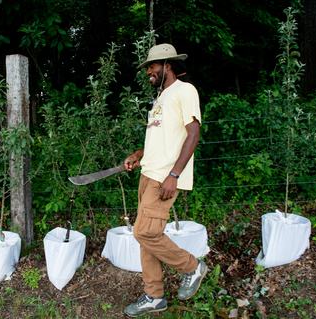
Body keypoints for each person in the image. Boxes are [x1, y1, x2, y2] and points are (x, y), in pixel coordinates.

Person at [123, 43, 207, 317]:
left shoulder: (185, 90)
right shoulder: (160, 99)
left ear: (167, 65)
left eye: (152, 66)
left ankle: (191, 266)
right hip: (148, 173)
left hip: (164, 178)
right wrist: (138, 154)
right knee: (148, 235)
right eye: (148, 67)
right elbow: (163, 141)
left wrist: (174, 175)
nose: (148, 71)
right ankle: (154, 296)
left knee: (143, 232)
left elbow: (192, 134)